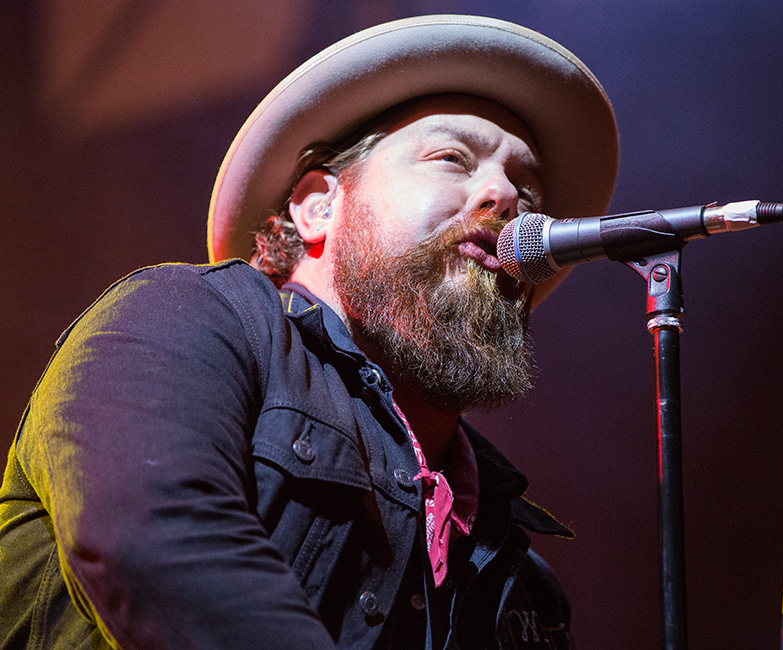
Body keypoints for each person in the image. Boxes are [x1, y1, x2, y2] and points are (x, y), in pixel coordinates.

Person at [0, 15, 618, 649]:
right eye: (451, 158)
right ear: (319, 205)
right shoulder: (188, 317)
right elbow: (152, 538)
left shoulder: (520, 576)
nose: (505, 194)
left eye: (529, 192)